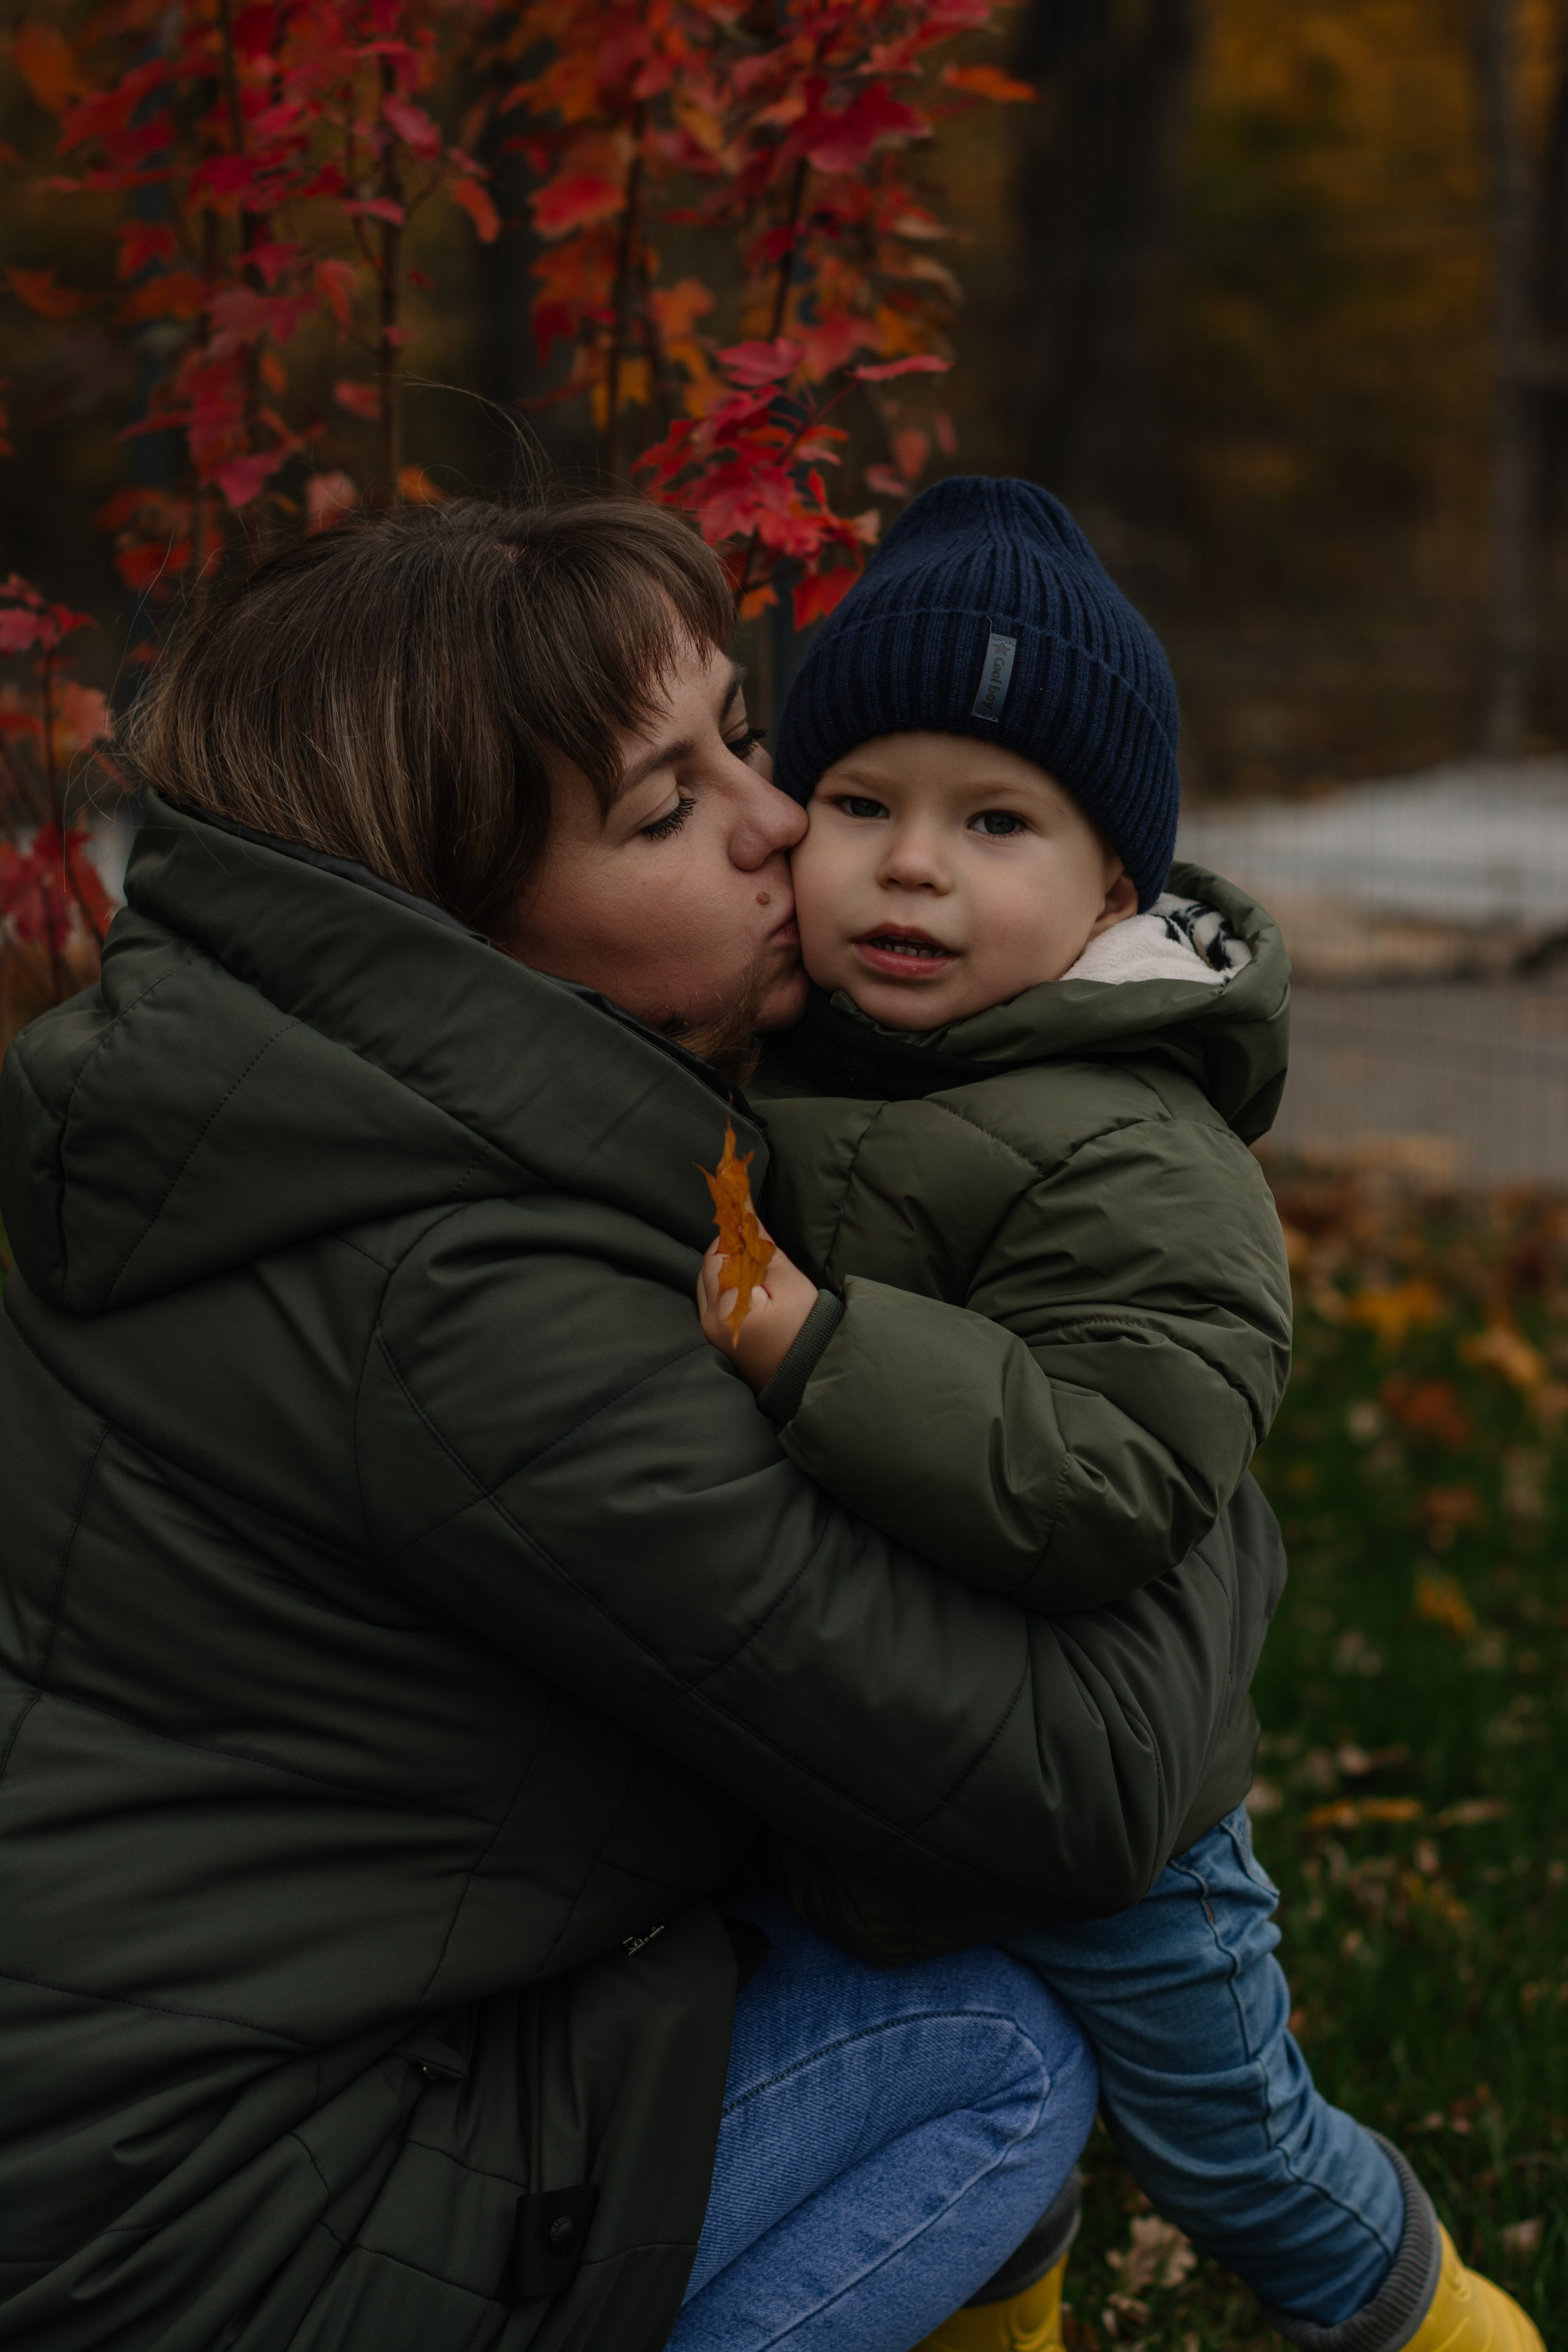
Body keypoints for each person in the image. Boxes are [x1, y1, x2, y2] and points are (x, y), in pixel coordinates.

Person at [0, 494, 1281, 2352]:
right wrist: (1174, 1410)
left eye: (743, 739)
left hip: (138, 2138)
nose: (787, 822)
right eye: (665, 810)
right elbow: (1069, 1792)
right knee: (982, 2042)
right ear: (464, 933)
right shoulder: (471, 1308)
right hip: (200, 2253)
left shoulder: (327, 1146)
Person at [695, 476, 1541, 2352]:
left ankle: (1454, 2333)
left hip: (1123, 1836)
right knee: (975, 2160)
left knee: (1242, 2159)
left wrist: (815, 1350)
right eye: (862, 805)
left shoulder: (1136, 1142)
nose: (913, 867)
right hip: (883, 1772)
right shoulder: (779, 1061)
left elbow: (1116, 1467)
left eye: (995, 821)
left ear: (1111, 892)